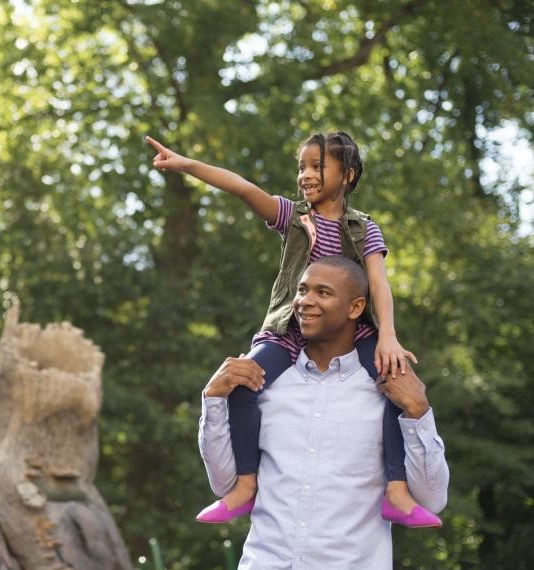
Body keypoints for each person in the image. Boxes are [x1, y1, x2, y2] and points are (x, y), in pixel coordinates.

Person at [146, 132, 440, 527]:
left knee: (396, 381)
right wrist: (187, 164)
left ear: (348, 175)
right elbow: (243, 188)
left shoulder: (364, 228)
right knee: (243, 382)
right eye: (301, 166)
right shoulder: (294, 218)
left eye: (317, 166)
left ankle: (396, 489)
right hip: (289, 328)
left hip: (354, 331)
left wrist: (388, 335)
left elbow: (378, 284)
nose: (305, 174)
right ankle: (246, 485)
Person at [199, 256, 449, 570]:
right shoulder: (264, 384)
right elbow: (223, 484)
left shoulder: (386, 391)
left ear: (355, 307)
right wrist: (213, 399)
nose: (305, 301)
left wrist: (418, 411)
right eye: (302, 290)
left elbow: (432, 499)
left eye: (323, 292)